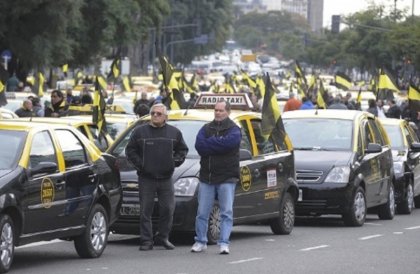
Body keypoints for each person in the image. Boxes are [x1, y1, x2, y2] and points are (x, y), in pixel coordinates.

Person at [125, 103, 188, 251]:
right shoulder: (139, 132)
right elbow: (130, 150)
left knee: (167, 209)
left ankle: (163, 237)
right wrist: (141, 165)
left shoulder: (174, 133)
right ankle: (146, 240)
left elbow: (182, 150)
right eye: (153, 113)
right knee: (145, 211)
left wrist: (174, 163)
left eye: (159, 114)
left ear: (165, 116)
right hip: (146, 178)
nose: (155, 116)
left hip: (166, 178)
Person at [191, 100, 242, 255]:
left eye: (221, 110)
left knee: (226, 212)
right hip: (207, 177)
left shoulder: (234, 129)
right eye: (216, 110)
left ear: (228, 112)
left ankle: (224, 243)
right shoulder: (206, 128)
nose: (218, 113)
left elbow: (230, 144)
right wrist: (217, 143)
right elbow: (200, 146)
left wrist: (211, 143)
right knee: (202, 212)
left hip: (227, 177)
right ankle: (200, 241)